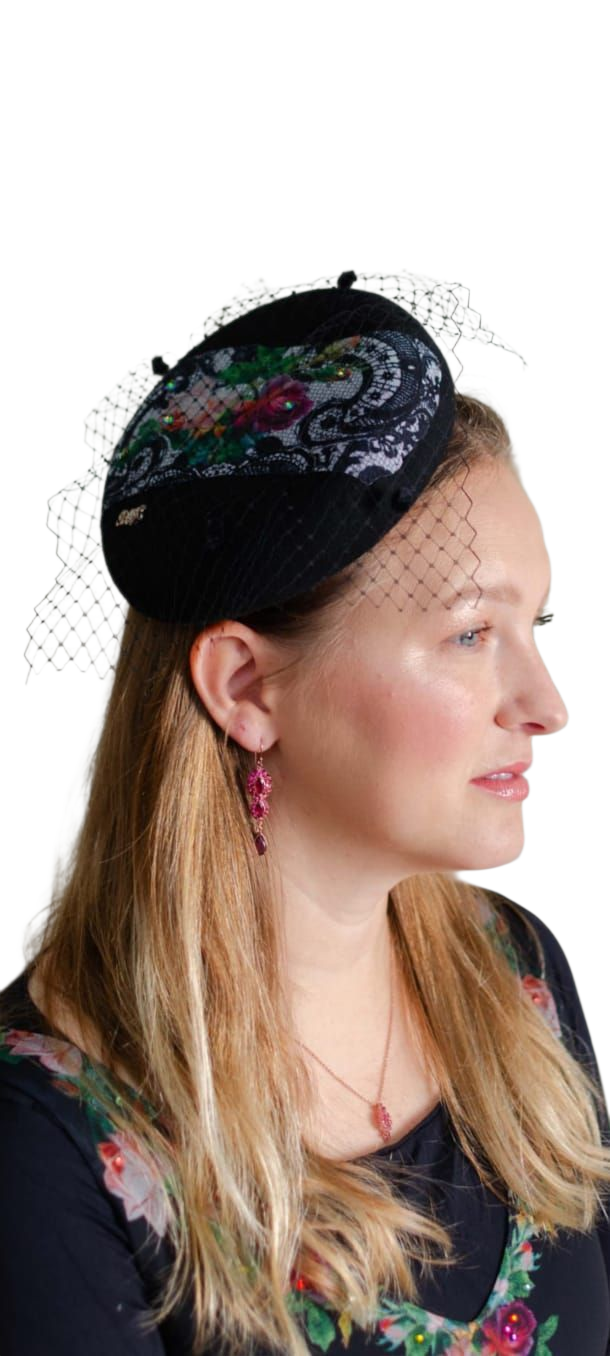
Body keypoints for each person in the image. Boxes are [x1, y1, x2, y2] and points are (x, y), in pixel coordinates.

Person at [2, 274, 610, 1356]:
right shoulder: (41, 1144)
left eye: (537, 627)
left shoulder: (513, 981)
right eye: (472, 635)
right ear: (245, 686)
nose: (546, 705)